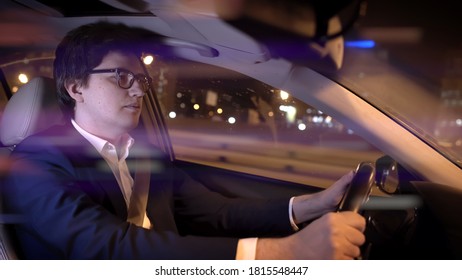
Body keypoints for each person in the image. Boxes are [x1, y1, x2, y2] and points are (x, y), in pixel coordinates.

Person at [3, 21, 365, 259]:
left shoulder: (144, 154)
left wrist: (310, 206)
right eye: (120, 77)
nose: (138, 90)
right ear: (76, 87)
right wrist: (280, 253)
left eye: (140, 79)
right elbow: (108, 248)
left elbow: (215, 211)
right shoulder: (36, 162)